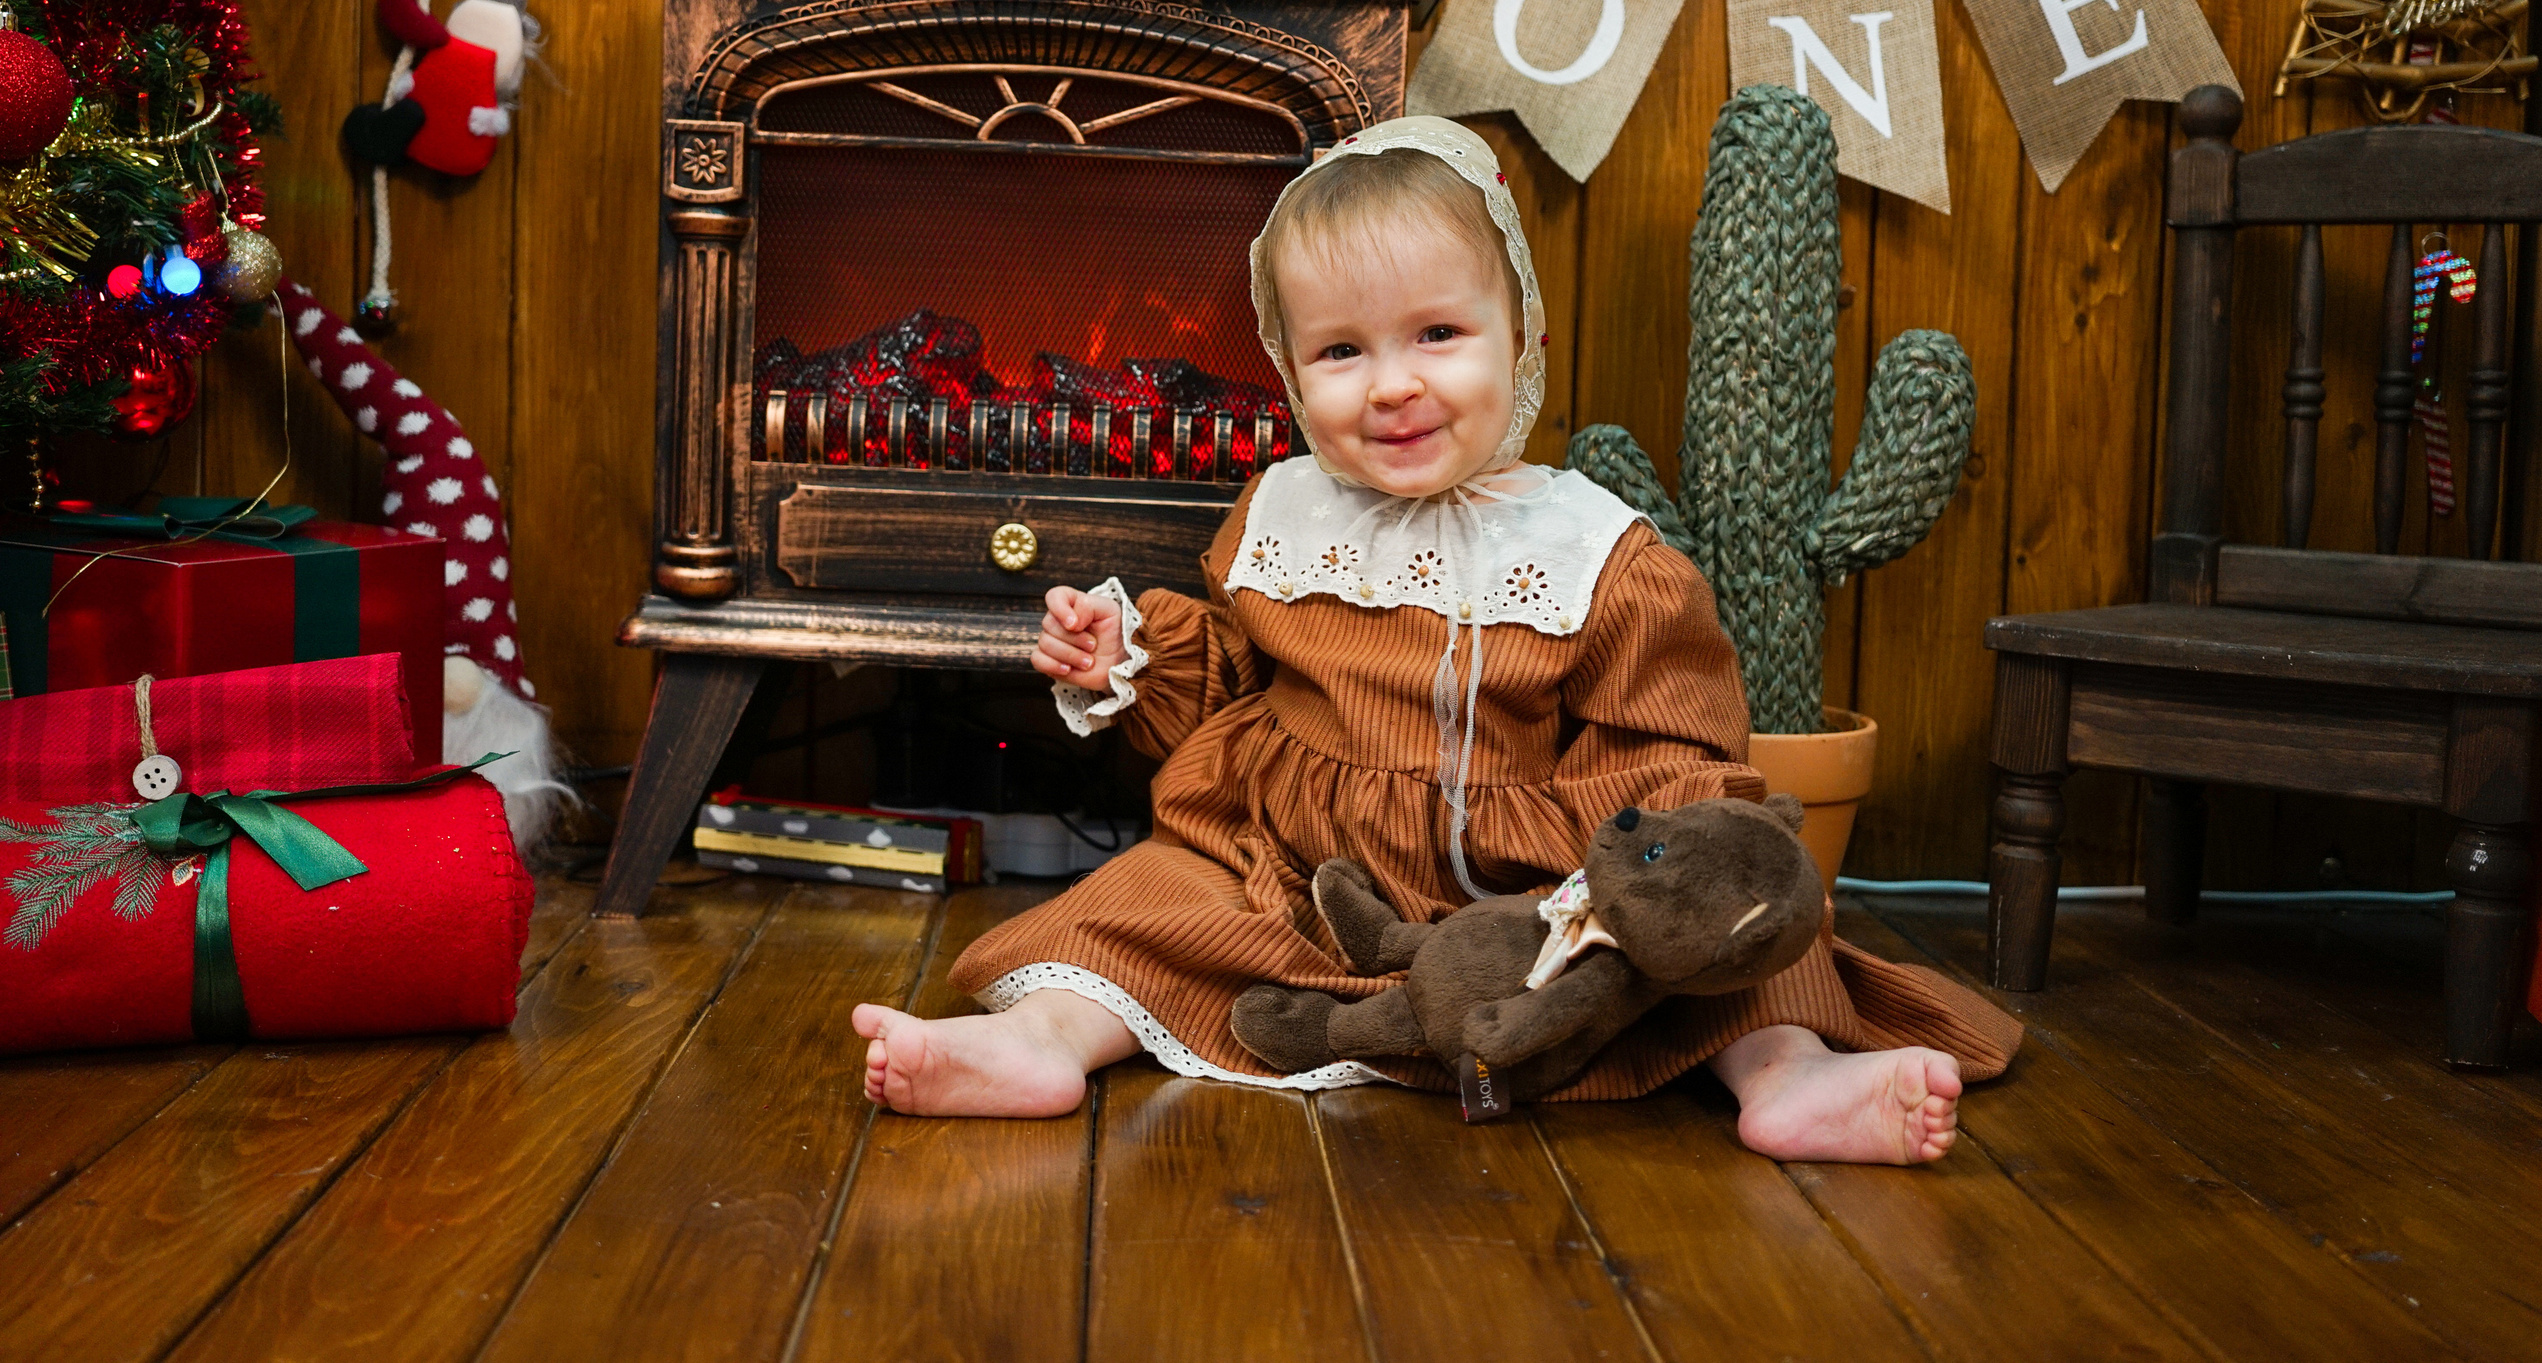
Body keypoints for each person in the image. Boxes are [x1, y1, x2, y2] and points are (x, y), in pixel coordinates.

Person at [853, 117, 2018, 1162]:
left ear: (1521, 334)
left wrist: (1635, 888)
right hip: (1299, 871)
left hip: (1545, 900)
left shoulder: (1597, 553)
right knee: (1144, 900)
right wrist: (1127, 664)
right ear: (1290, 371)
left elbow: (1671, 749)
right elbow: (1233, 683)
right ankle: (1047, 1042)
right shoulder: (1282, 516)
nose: (1393, 385)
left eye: (1438, 334)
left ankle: (1794, 1082)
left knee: (1739, 939)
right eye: (1341, 352)